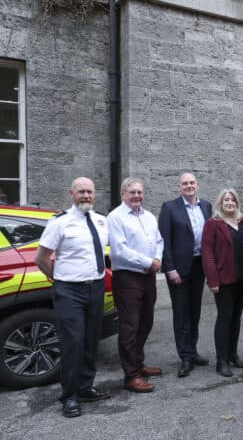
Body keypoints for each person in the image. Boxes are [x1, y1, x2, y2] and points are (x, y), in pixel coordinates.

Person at [34, 177, 110, 417]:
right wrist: (58, 279)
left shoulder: (100, 220)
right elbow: (41, 257)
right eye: (81, 192)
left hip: (95, 288)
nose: (86, 195)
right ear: (71, 193)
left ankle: (86, 387)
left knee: (90, 341)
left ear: (94, 195)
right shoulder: (60, 222)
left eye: (90, 192)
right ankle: (69, 396)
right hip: (69, 291)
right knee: (73, 344)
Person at [108, 178, 164, 393]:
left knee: (146, 322)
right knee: (129, 326)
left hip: (148, 276)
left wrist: (157, 259)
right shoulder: (115, 217)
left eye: (140, 192)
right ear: (123, 194)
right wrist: (149, 262)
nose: (137, 196)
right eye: (132, 192)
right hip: (128, 278)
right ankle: (130, 375)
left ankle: (139, 364)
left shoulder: (148, 216)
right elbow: (119, 251)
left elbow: (158, 241)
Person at [158, 172, 213, 377]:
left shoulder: (206, 206)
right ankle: (185, 357)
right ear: (179, 187)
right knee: (181, 314)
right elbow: (164, 240)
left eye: (192, 183)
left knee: (195, 311)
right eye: (185, 183)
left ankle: (193, 349)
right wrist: (170, 269)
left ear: (197, 186)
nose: (189, 186)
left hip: (199, 266)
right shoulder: (169, 207)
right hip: (179, 269)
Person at [201, 188, 243, 377]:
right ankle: (221, 360)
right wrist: (212, 280)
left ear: (237, 203)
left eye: (233, 200)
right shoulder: (213, 224)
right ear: (220, 203)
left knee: (236, 318)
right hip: (224, 280)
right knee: (224, 318)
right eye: (226, 200)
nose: (230, 203)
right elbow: (207, 255)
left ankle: (233, 354)